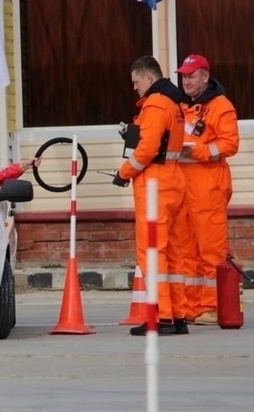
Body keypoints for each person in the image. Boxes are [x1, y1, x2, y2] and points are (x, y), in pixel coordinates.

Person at [112, 55, 188, 336]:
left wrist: (123, 172)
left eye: (135, 82)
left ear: (148, 77)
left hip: (155, 185)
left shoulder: (155, 105)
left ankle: (161, 316)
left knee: (152, 251)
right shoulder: (175, 104)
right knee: (173, 253)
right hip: (173, 181)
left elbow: (146, 150)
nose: (135, 88)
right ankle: (177, 315)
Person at [176, 54, 240, 325]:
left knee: (211, 251)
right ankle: (191, 307)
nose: (186, 81)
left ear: (205, 75)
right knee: (187, 251)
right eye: (183, 76)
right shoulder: (182, 105)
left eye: (191, 76)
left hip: (209, 190)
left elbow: (230, 144)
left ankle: (212, 306)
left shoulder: (221, 106)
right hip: (184, 190)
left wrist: (199, 151)